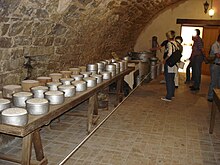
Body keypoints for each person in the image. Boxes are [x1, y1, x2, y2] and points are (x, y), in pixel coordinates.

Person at [161, 30, 178, 102]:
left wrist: (165, 60)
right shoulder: (176, 43)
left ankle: (168, 97)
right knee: (172, 79)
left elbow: (170, 53)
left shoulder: (169, 43)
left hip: (169, 64)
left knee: (168, 80)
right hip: (174, 63)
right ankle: (172, 94)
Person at [207, 34, 220, 102]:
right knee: (214, 82)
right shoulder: (215, 45)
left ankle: (216, 96)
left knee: (218, 82)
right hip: (215, 65)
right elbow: (217, 55)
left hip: (218, 65)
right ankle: (210, 96)